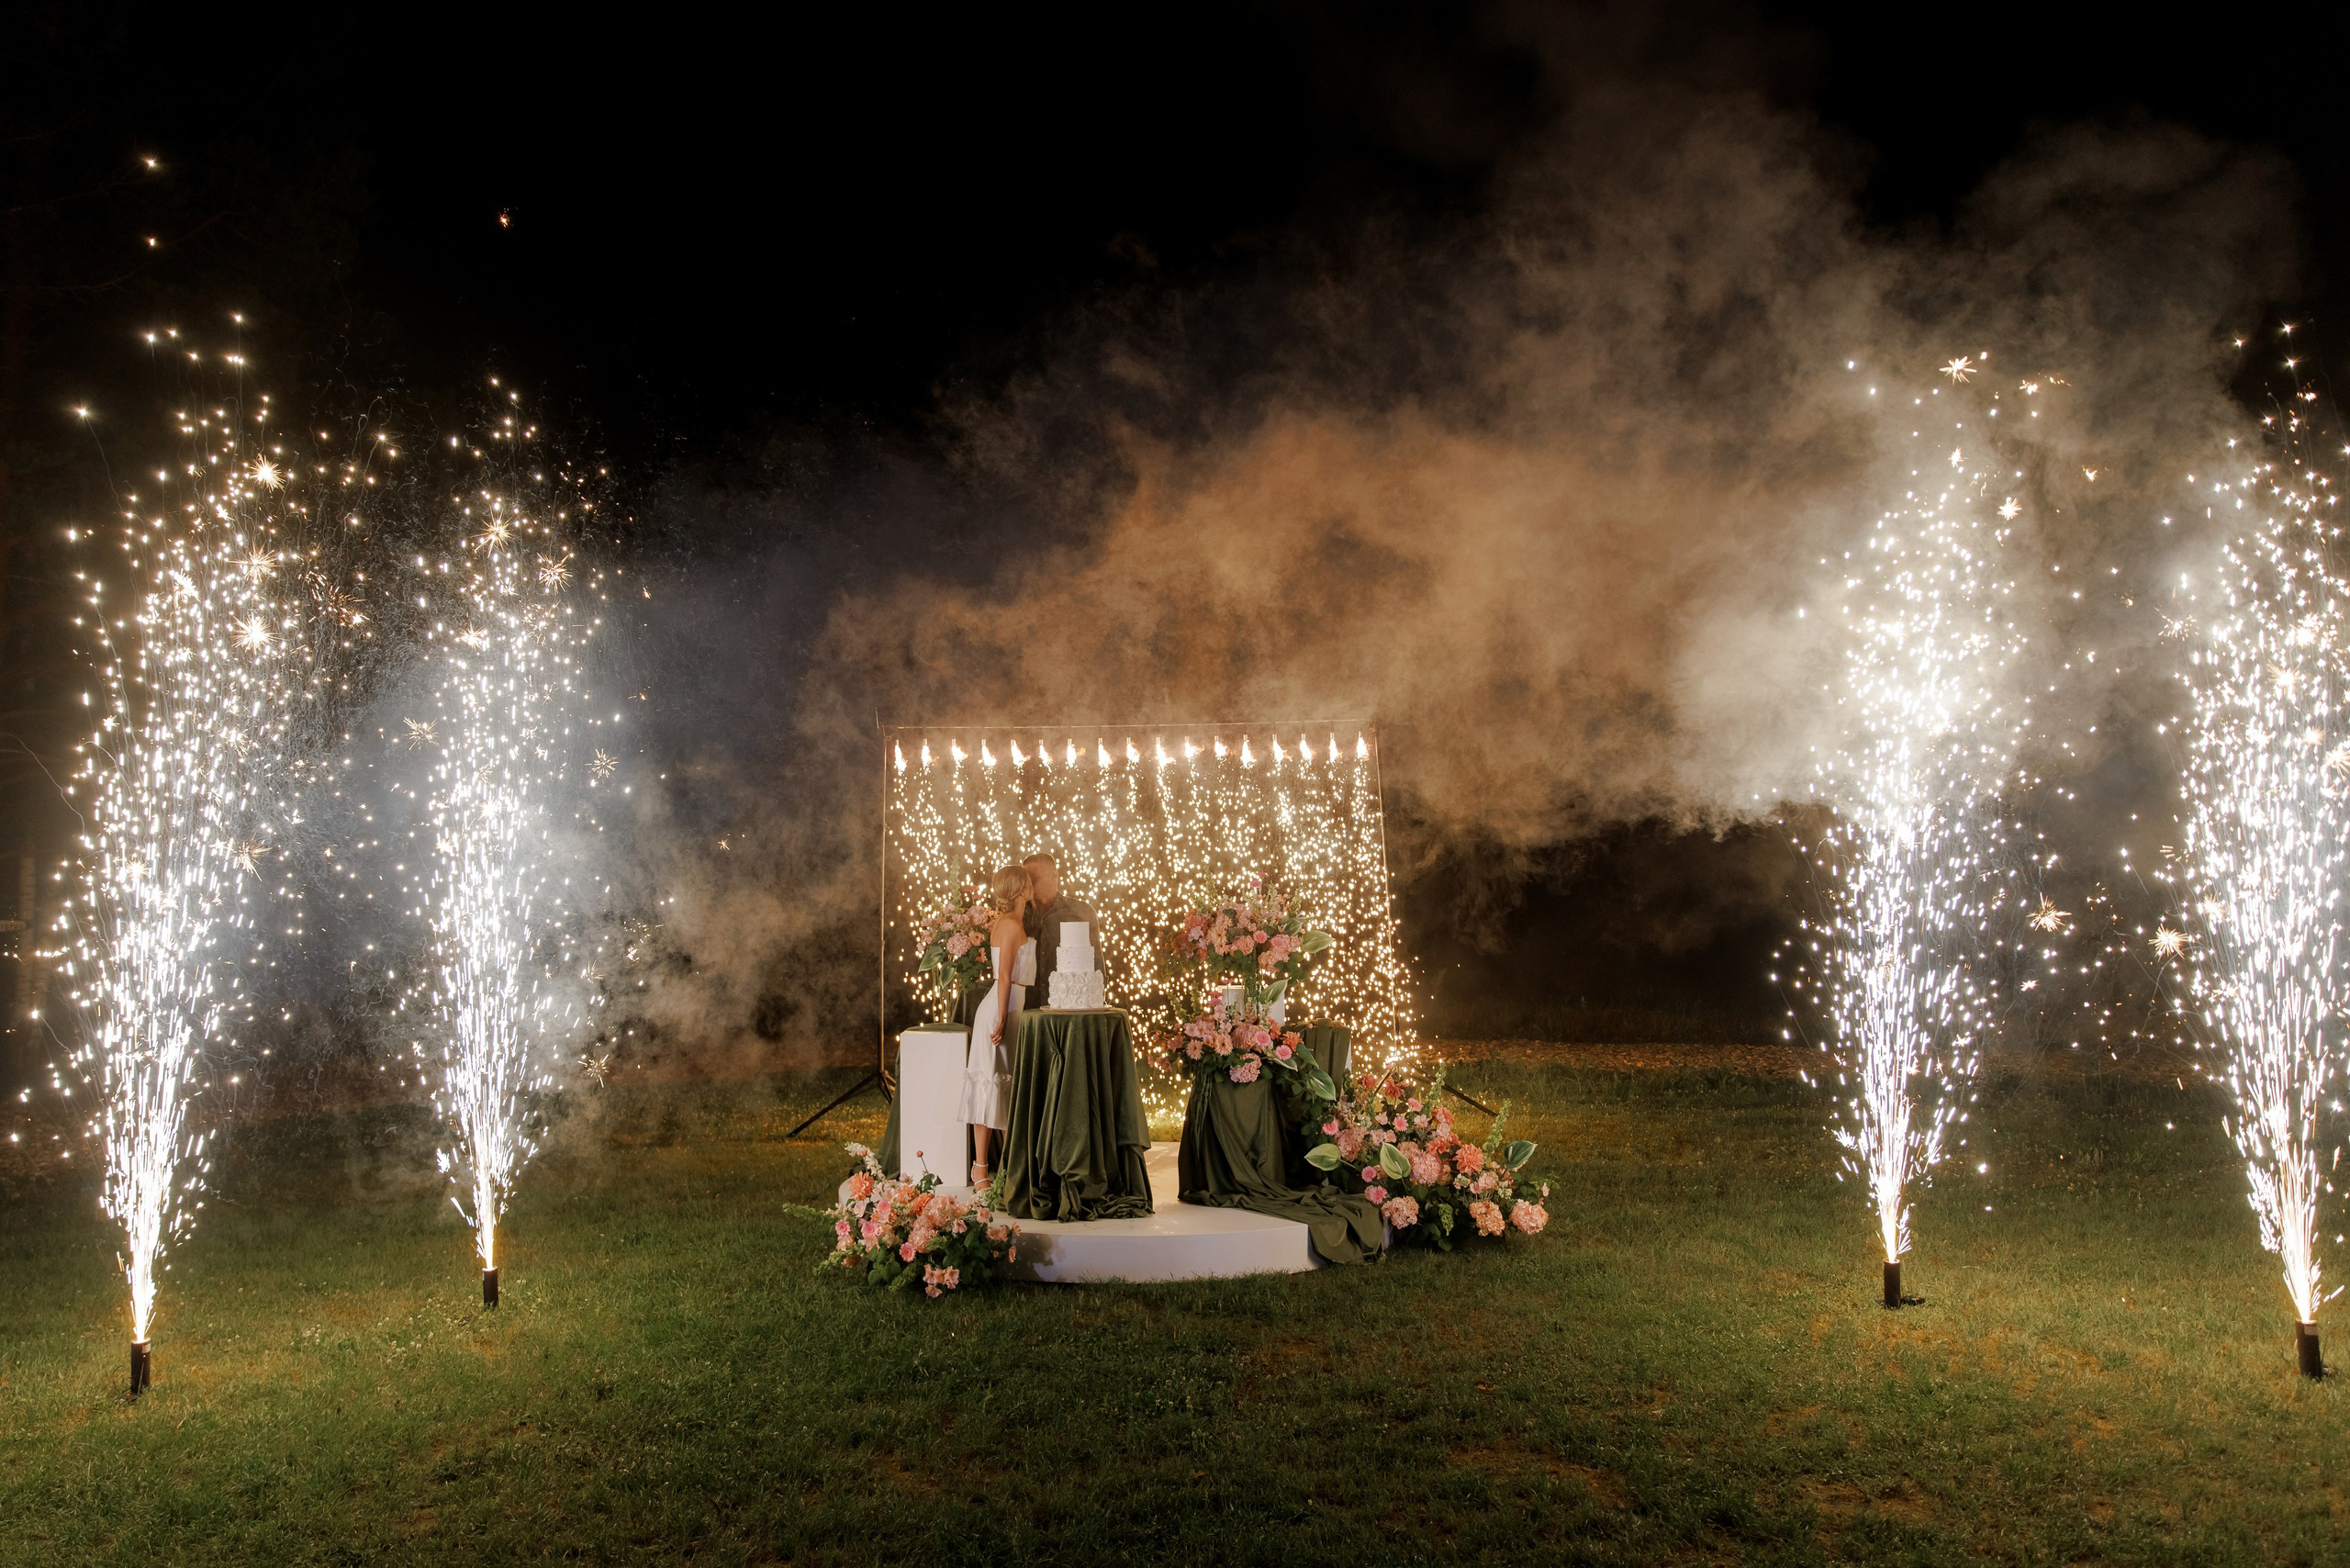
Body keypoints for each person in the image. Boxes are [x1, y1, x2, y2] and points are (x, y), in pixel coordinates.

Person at [956, 863, 1035, 1190]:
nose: (1033, 886)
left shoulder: (1009, 922)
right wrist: (1001, 1015)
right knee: (991, 1082)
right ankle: (982, 1168)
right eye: (1029, 883)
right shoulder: (1012, 925)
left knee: (999, 1085)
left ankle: (1001, 1168)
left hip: (1009, 1007)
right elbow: (1004, 976)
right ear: (1021, 890)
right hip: (1002, 1007)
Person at [1022, 851, 1098, 983]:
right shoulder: (1018, 915)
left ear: (1054, 875)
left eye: (1034, 878)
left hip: (1068, 1001)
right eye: (1025, 880)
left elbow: (1097, 965)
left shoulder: (1081, 912)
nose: (1028, 885)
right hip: (1025, 1002)